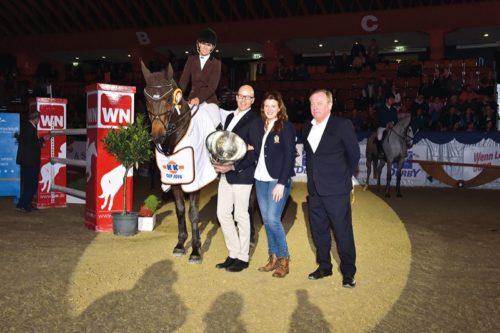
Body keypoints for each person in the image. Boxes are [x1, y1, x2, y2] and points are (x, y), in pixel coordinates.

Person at [303, 89, 360, 287]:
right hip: (315, 191)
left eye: (319, 103)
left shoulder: (342, 125)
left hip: (336, 191)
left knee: (343, 232)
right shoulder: (307, 128)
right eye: (312, 103)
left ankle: (348, 272)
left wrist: (342, 178)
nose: (315, 107)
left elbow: (354, 156)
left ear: (330, 105)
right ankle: (324, 267)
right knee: (319, 231)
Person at [213, 84, 264, 272]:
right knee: (222, 214)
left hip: (242, 174)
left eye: (247, 97)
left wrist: (233, 165)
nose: (243, 100)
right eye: (241, 96)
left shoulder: (255, 121)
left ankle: (243, 257)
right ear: (236, 97)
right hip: (226, 174)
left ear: (252, 100)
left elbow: (256, 152)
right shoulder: (229, 118)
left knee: (241, 215)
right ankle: (233, 252)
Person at [254, 91, 296, 278]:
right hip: (260, 180)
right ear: (263, 108)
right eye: (266, 106)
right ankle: (272, 258)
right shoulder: (261, 126)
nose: (269, 109)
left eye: (273, 106)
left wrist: (281, 182)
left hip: (277, 180)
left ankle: (283, 259)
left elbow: (289, 156)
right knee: (267, 221)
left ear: (280, 108)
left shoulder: (285, 127)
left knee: (272, 219)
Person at [179, 28, 222, 129]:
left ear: (212, 47)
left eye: (208, 45)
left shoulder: (216, 63)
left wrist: (199, 99)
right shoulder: (190, 59)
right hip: (191, 98)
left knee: (216, 124)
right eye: (203, 43)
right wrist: (178, 94)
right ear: (198, 44)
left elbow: (212, 87)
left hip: (209, 100)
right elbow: (184, 81)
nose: (205, 47)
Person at [16, 111, 47, 212]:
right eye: (39, 119)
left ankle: (24, 204)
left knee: (28, 184)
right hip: (30, 161)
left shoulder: (26, 127)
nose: (39, 121)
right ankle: (25, 205)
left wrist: (41, 140)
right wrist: (41, 143)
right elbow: (32, 145)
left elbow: (29, 143)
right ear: (37, 118)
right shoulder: (31, 128)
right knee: (32, 184)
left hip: (26, 160)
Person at [376, 93, 398, 157]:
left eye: (393, 99)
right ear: (386, 100)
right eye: (391, 99)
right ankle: (380, 151)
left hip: (392, 127)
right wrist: (387, 124)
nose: (392, 100)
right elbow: (380, 119)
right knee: (380, 136)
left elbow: (396, 119)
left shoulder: (394, 109)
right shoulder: (381, 108)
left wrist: (393, 123)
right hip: (382, 127)